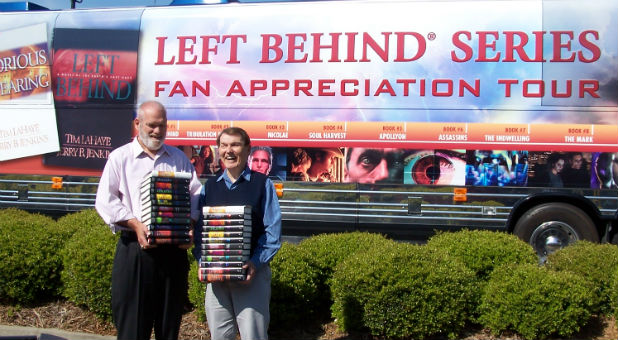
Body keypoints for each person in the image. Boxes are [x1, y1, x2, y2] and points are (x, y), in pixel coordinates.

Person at [95, 101, 202, 340]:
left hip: (173, 252)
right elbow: (104, 201)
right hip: (135, 251)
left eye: (162, 126)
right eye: (152, 125)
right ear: (137, 124)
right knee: (133, 328)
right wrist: (134, 222)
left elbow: (195, 194)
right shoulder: (120, 157)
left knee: (169, 326)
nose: (157, 131)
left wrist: (191, 225)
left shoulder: (178, 158)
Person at [194, 127, 282, 340]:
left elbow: (272, 232)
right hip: (216, 281)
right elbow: (200, 232)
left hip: (251, 277)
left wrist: (254, 263)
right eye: (224, 145)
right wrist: (202, 262)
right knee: (219, 336)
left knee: (254, 336)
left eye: (235, 145)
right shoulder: (210, 186)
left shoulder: (263, 185)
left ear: (247, 149)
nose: (229, 151)